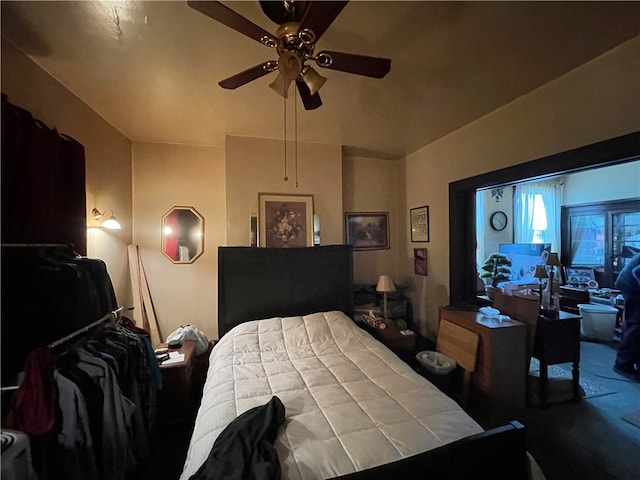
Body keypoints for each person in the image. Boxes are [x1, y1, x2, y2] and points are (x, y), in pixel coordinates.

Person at [613, 252, 640, 381]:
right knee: (637, 324)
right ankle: (622, 364)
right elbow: (637, 272)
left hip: (633, 282)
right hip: (630, 283)